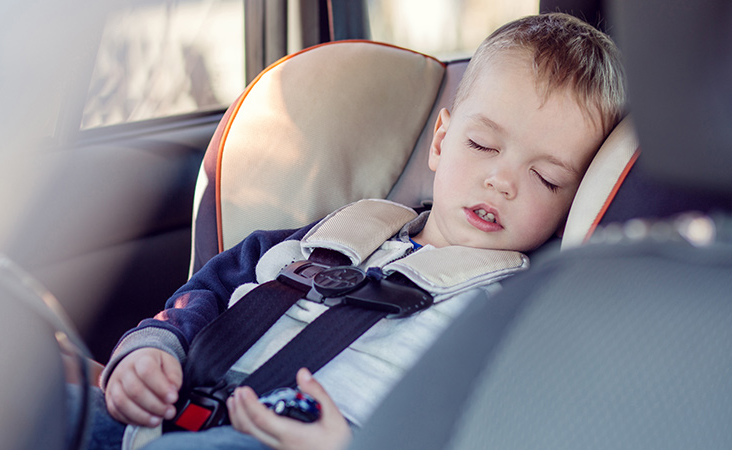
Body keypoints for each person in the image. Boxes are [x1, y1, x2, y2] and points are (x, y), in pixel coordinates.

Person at [81, 12, 626, 450]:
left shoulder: (509, 313)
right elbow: (212, 288)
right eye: (482, 145)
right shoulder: (341, 231)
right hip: (167, 406)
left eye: (545, 177)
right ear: (440, 142)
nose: (501, 180)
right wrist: (155, 347)